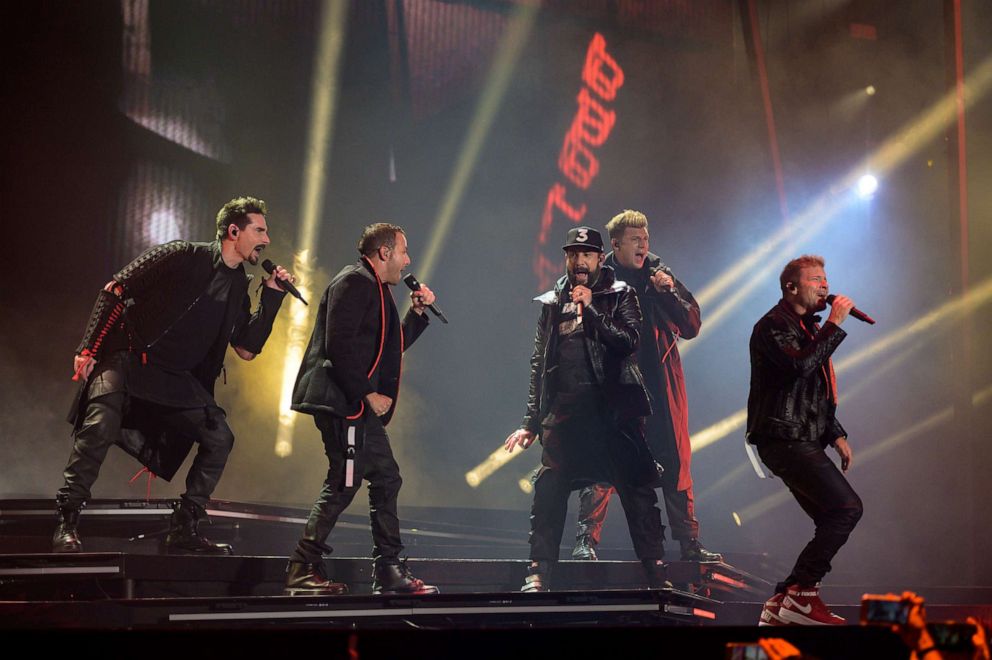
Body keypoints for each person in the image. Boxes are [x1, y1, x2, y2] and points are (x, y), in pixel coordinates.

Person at [55, 196, 293, 554]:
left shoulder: (239, 286)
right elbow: (116, 289)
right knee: (98, 426)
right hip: (130, 358)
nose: (267, 239)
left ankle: (184, 526)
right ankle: (67, 520)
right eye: (260, 230)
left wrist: (272, 298)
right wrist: (87, 349)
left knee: (219, 439)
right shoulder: (183, 254)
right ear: (233, 231)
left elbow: (246, 348)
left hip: (175, 378)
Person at [505, 226, 669, 592]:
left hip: (613, 415)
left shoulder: (619, 295)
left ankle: (656, 573)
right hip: (566, 416)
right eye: (573, 254)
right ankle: (539, 571)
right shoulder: (551, 303)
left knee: (638, 492)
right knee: (548, 491)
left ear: (598, 258)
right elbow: (540, 363)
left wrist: (592, 308)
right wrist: (531, 421)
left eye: (587, 255)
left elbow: (629, 342)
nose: (579, 262)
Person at [286, 222, 438, 596]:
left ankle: (388, 569)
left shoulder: (376, 288)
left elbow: (388, 349)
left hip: (353, 403)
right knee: (344, 479)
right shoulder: (354, 282)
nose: (408, 260)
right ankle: (302, 566)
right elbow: (338, 346)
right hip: (344, 402)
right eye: (403, 251)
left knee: (385, 477)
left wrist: (416, 315)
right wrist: (368, 394)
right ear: (384, 252)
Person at [571, 210, 721, 563]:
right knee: (604, 461)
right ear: (616, 244)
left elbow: (692, 325)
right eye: (636, 239)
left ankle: (689, 543)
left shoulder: (659, 275)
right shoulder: (599, 279)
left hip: (659, 387)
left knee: (674, 461)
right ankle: (585, 541)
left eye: (646, 238)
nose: (644, 245)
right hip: (615, 386)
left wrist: (667, 293)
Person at [750, 255, 863, 625]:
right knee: (846, 508)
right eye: (816, 280)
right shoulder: (771, 326)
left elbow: (812, 390)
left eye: (826, 279)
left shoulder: (805, 327)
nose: (825, 286)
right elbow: (799, 366)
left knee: (833, 514)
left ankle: (784, 597)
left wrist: (836, 434)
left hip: (802, 436)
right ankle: (801, 595)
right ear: (792, 287)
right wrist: (833, 324)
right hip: (783, 437)